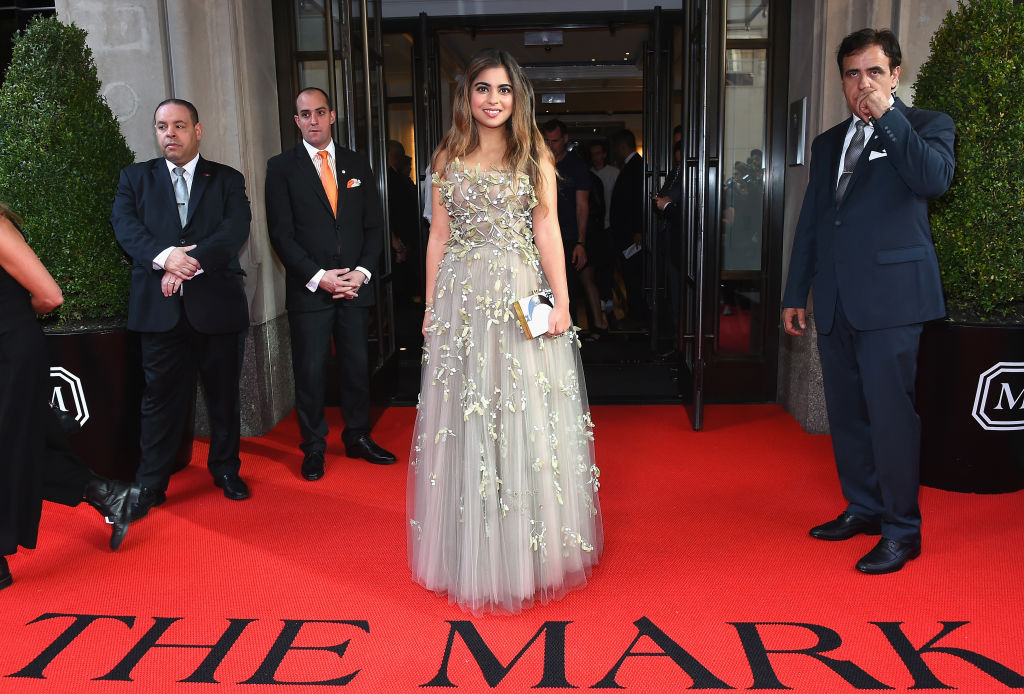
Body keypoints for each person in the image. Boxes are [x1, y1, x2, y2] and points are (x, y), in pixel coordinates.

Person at [407, 49, 603, 614]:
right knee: (467, 416)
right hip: (461, 300)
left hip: (523, 292)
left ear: (517, 97)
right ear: (467, 96)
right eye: (482, 89)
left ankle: (528, 553)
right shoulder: (446, 154)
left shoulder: (534, 153)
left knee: (525, 410)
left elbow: (549, 230)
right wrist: (431, 306)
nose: (492, 100)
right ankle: (470, 547)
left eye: (503, 90)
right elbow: (438, 237)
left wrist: (562, 301)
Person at [782, 28, 954, 574]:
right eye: (853, 74)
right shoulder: (828, 143)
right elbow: (814, 221)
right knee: (849, 415)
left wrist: (888, 117)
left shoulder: (926, 125)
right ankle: (864, 507)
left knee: (890, 417)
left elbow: (933, 181)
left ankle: (903, 530)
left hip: (893, 302)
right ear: (841, 81)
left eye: (875, 71)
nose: (863, 83)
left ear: (895, 75)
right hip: (836, 299)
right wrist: (796, 291)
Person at [112, 99, 252, 519]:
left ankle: (226, 470)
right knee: (159, 400)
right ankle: (151, 484)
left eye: (178, 125)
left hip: (217, 307)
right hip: (159, 311)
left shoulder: (226, 178)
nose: (169, 133)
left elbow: (234, 230)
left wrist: (188, 263)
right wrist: (166, 257)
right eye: (162, 126)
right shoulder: (135, 178)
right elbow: (127, 228)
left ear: (197, 130)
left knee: (223, 397)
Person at [1, 203, 141, 589]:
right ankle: (108, 494)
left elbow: (49, 296)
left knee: (9, 446)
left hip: (11, 351)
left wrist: (10, 316)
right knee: (25, 442)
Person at [266, 87, 396, 482]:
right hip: (310, 290)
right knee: (311, 371)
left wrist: (363, 272)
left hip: (355, 287)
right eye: (305, 114)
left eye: (320, 112)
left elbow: (373, 227)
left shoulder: (356, 163)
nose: (313, 121)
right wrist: (319, 277)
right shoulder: (281, 168)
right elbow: (281, 235)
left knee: (357, 366)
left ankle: (358, 436)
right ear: (296, 121)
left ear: (332, 115)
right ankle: (313, 447)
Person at [541, 119, 589, 326]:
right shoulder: (536, 164)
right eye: (546, 141)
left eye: (555, 141)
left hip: (567, 238)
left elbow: (582, 206)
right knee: (540, 293)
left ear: (565, 139)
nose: (550, 146)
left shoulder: (576, 165)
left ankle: (568, 337)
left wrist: (581, 242)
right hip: (538, 238)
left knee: (566, 292)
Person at [609, 129, 647, 325]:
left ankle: (637, 316)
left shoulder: (636, 167)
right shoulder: (632, 166)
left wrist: (639, 229)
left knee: (634, 276)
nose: (615, 151)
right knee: (630, 276)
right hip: (628, 233)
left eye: (616, 147)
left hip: (632, 235)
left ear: (622, 146)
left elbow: (640, 200)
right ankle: (634, 313)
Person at [589, 140, 619, 319]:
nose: (596, 157)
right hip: (596, 228)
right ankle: (601, 301)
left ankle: (608, 301)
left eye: (598, 153)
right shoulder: (589, 175)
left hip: (610, 227)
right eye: (593, 154)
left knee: (609, 266)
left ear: (605, 154)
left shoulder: (614, 173)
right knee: (597, 267)